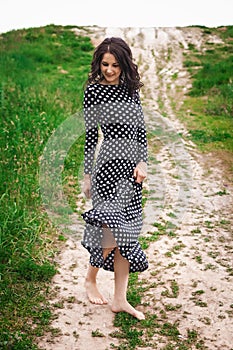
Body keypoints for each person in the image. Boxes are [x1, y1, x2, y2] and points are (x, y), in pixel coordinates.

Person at [81, 37, 148, 320]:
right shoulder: (93, 92)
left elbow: (140, 130)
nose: (109, 70)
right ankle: (90, 279)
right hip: (106, 168)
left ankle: (119, 299)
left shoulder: (131, 90)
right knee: (109, 234)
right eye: (105, 64)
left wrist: (143, 161)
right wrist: (86, 175)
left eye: (115, 65)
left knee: (126, 235)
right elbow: (89, 137)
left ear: (125, 65)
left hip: (130, 171)